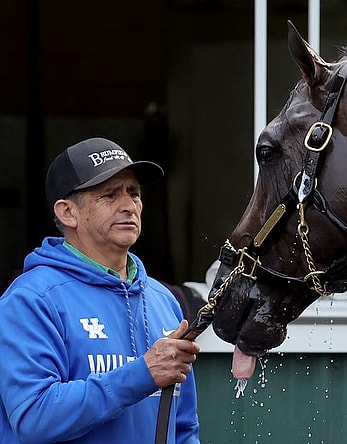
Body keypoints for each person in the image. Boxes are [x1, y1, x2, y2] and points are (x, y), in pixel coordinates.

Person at [0, 137, 201, 443]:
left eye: (134, 193)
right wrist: (141, 375)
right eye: (109, 195)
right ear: (68, 213)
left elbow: (183, 427)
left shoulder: (164, 301)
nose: (128, 206)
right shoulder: (31, 300)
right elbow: (33, 418)